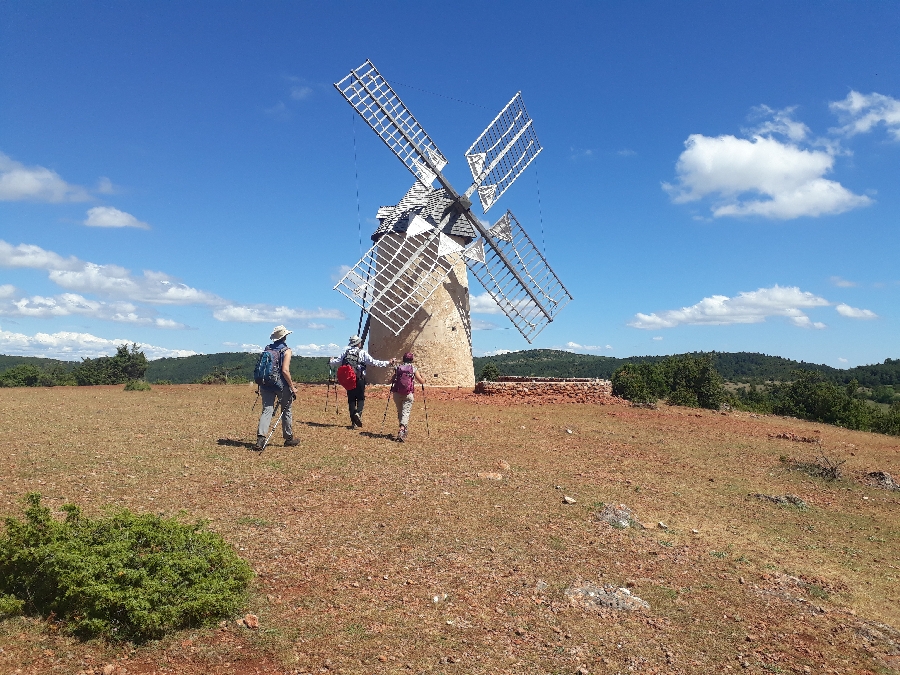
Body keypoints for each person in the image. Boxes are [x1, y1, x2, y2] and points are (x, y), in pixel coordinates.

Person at [329, 335, 394, 429]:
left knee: (351, 399)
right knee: (360, 398)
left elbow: (336, 362)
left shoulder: (346, 352)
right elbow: (374, 362)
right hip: (359, 379)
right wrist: (388, 362)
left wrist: (331, 361)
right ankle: (358, 413)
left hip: (349, 379)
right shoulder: (362, 352)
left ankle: (353, 423)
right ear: (359, 343)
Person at [254, 325, 299, 451]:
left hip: (266, 384)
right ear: (285, 336)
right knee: (286, 410)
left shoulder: (267, 349)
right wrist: (292, 387)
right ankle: (288, 438)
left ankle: (261, 438)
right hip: (281, 385)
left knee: (267, 410)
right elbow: (285, 370)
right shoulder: (286, 350)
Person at [390, 352, 426, 442]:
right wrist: (424, 377)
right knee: (406, 412)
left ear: (403, 359)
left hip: (397, 393)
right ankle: (402, 429)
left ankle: (403, 428)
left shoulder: (398, 368)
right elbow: (421, 381)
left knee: (400, 411)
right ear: (412, 360)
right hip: (408, 394)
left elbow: (391, 380)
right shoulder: (413, 368)